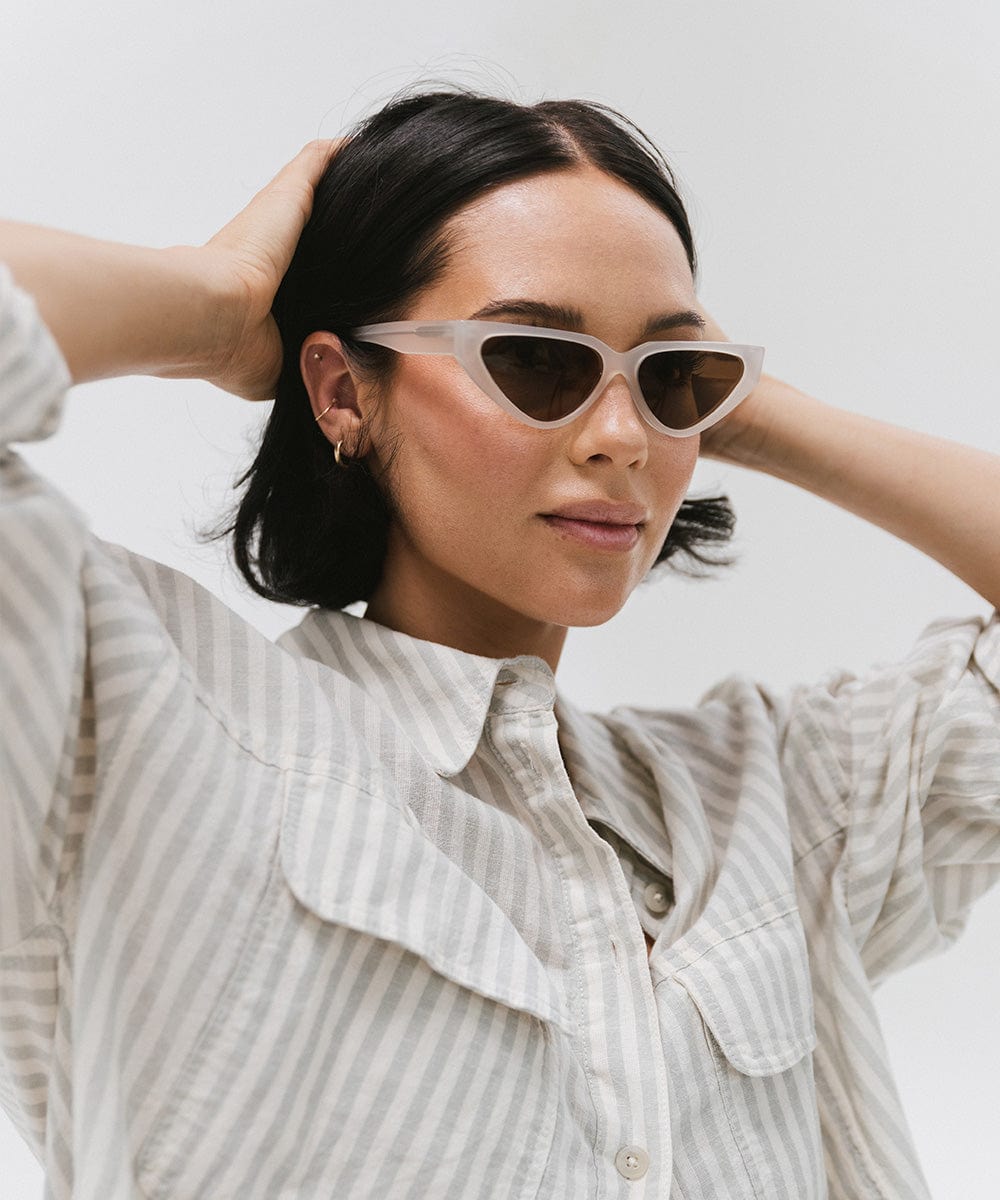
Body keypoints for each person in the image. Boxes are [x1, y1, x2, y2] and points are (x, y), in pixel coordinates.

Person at [1, 86, 997, 1200]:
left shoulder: (768, 804)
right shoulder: (153, 732)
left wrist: (743, 407)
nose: (622, 438)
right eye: (535, 361)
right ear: (343, 391)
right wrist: (217, 304)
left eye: (667, 379)